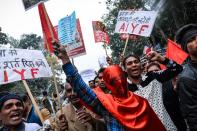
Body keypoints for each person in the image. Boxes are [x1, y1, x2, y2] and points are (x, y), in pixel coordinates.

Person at [53, 41, 166, 131]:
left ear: (125, 77)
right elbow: (81, 88)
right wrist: (66, 60)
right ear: (109, 85)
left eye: (120, 78)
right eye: (113, 81)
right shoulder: (106, 104)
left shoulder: (142, 102)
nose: (118, 83)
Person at [123, 52, 183, 130]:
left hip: (168, 128)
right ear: (124, 68)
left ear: (140, 65)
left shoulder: (153, 77)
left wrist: (161, 59)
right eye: (129, 63)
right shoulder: (124, 90)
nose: (134, 65)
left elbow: (177, 68)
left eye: (136, 62)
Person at [146, 62, 187, 131]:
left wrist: (177, 90)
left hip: (178, 124)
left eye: (156, 71)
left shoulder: (171, 82)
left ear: (161, 71)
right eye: (151, 72)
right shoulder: (147, 90)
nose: (154, 74)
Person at [175, 23, 197, 130]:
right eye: (191, 39)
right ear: (186, 48)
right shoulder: (186, 78)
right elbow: (193, 118)